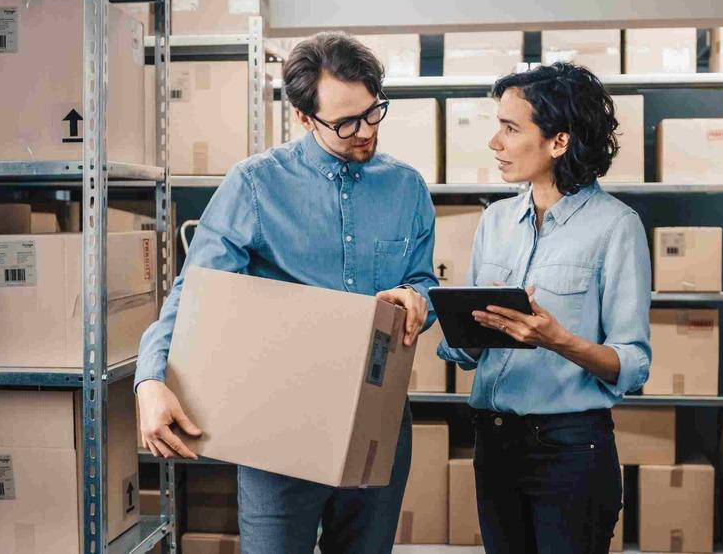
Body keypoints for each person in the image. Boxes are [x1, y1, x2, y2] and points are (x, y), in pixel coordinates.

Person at [134, 32, 438, 554]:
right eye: (345, 123)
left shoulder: (407, 187)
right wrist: (150, 379)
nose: (365, 132)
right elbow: (195, 292)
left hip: (378, 418)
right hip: (280, 424)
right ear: (303, 117)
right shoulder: (255, 185)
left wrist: (419, 299)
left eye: (372, 113)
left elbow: (422, 279)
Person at [438, 62, 652, 554]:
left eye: (510, 129)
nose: (495, 142)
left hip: (570, 450)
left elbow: (633, 365)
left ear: (559, 141)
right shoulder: (495, 220)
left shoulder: (616, 227)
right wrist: (466, 333)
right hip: (493, 442)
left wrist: (556, 340)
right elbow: (469, 354)